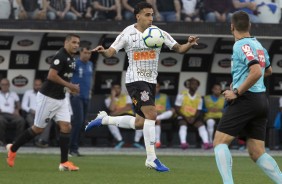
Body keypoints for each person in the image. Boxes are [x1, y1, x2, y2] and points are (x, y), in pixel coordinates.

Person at [85, 1, 199, 172]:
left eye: (152, 14)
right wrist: (103, 51)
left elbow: (179, 49)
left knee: (140, 123)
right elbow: (110, 52)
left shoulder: (159, 33)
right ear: (137, 16)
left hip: (151, 81)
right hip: (135, 79)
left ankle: (105, 119)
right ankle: (152, 158)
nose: (151, 18)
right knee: (152, 114)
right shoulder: (127, 33)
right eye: (147, 15)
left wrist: (189, 44)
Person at [213, 11, 282, 184]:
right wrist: (242, 81)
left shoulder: (240, 45)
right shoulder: (258, 45)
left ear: (232, 26)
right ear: (249, 26)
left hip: (246, 99)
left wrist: (237, 91)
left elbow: (256, 71)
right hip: (260, 101)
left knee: (220, 142)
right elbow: (268, 71)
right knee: (256, 151)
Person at [6, 34, 80, 171]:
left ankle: (64, 163)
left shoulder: (72, 58)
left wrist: (70, 89)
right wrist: (70, 86)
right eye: (74, 42)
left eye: (78, 43)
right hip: (48, 97)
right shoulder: (61, 56)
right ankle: (13, 148)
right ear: (66, 42)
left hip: (61, 98)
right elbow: (51, 76)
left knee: (66, 127)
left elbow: (64, 79)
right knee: (38, 129)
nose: (76, 45)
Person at [69, 46, 93, 156]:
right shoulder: (75, 63)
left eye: (89, 53)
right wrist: (70, 89)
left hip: (86, 97)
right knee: (78, 122)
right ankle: (72, 149)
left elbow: (90, 79)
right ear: (80, 53)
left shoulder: (90, 65)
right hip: (76, 96)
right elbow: (67, 76)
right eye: (85, 52)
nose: (87, 55)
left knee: (82, 123)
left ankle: (75, 147)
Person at [174, 77, 211, 150]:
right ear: (188, 85)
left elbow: (199, 110)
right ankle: (183, 143)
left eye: (196, 85)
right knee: (183, 124)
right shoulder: (182, 94)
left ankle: (206, 143)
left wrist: (193, 118)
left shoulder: (199, 97)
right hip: (182, 116)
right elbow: (177, 109)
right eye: (193, 84)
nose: (195, 86)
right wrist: (186, 117)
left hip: (193, 117)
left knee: (201, 124)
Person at [105, 82, 144, 149]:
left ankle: (136, 142)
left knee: (142, 120)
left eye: (118, 88)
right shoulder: (108, 99)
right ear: (112, 89)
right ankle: (120, 141)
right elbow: (111, 109)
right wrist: (113, 96)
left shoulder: (127, 96)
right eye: (114, 88)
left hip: (129, 116)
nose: (116, 90)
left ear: (120, 89)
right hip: (118, 119)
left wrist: (115, 113)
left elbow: (128, 107)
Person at [0, 78, 26, 146]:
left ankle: (17, 141)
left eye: (6, 84)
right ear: (0, 85)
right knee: (0, 120)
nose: (4, 86)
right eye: (3, 84)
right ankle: (2, 141)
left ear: (9, 85)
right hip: (1, 114)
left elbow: (18, 105)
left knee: (21, 120)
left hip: (12, 115)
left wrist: (17, 110)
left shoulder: (13, 94)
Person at [155, 81, 174, 148]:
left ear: (159, 88)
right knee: (158, 121)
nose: (155, 88)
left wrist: (160, 112)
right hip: (150, 115)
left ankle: (158, 118)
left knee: (172, 111)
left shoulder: (164, 96)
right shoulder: (146, 96)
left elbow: (168, 108)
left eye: (157, 87)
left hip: (162, 115)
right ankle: (157, 142)